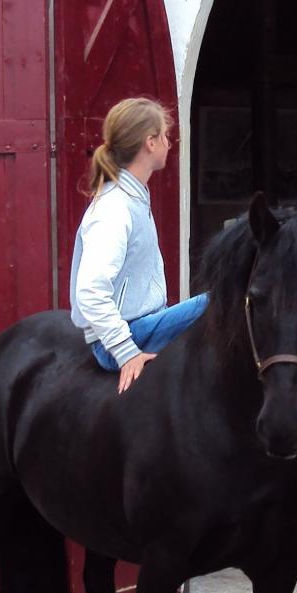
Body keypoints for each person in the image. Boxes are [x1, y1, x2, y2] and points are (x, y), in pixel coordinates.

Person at [69, 96, 207, 392]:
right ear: (150, 142)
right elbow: (90, 292)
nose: (170, 143)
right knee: (218, 303)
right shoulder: (114, 208)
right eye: (165, 135)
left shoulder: (133, 199)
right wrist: (126, 351)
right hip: (126, 338)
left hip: (143, 324)